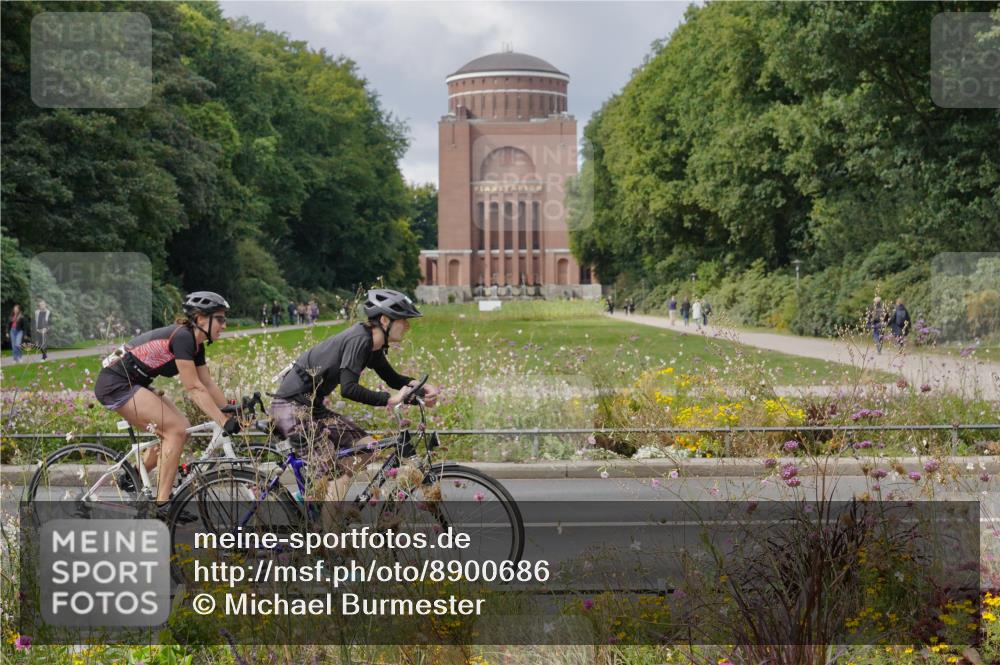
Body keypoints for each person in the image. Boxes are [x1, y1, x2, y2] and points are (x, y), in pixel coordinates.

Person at [270, 289, 441, 501]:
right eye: (404, 320)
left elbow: (392, 378)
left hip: (312, 408)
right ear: (385, 320)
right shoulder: (360, 339)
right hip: (291, 408)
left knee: (367, 446)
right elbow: (348, 389)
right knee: (336, 476)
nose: (408, 326)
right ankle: (329, 527)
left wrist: (422, 389)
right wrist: (391, 399)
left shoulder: (373, 344)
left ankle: (314, 498)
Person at [93, 291, 237, 509]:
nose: (224, 325)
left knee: (182, 430)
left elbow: (207, 383)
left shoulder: (195, 343)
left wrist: (229, 411)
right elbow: (194, 388)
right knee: (175, 430)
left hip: (135, 382)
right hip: (116, 384)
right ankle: (162, 506)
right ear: (200, 319)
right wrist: (222, 420)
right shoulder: (183, 338)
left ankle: (133, 478)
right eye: (220, 319)